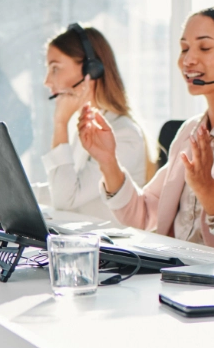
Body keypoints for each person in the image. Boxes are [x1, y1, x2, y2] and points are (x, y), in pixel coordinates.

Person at [77, 4, 214, 258]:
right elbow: (143, 215)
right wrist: (108, 161)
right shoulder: (190, 131)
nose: (187, 60)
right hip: (175, 273)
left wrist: (208, 190)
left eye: (204, 47)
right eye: (184, 48)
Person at [43, 25, 152, 220]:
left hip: (110, 248)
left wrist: (60, 124)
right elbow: (60, 187)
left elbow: (64, 199)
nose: (47, 81)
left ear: (90, 70)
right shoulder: (85, 127)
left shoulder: (122, 133)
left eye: (55, 68)